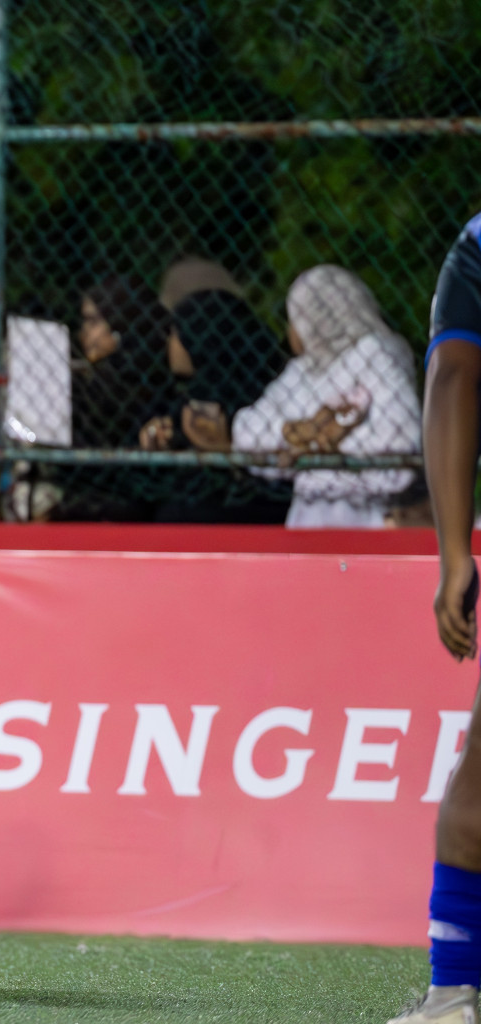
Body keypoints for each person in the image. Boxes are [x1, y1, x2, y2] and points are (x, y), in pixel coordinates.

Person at [385, 213, 481, 1024]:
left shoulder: (479, 243)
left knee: (478, 789)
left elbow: (454, 377)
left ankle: (453, 992)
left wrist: (455, 554)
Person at [232, 265, 421, 528]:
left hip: (370, 524)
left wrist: (322, 449)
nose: (290, 332)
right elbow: (245, 433)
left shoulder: (379, 356)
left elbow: (399, 454)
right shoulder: (304, 370)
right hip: (309, 525)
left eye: (294, 319)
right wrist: (293, 432)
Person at [137, 288, 291, 523]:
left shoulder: (260, 392)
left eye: (175, 331)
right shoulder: (190, 392)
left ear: (197, 335)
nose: (169, 341)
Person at [53, 276, 173, 521]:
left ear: (120, 324)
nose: (84, 332)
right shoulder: (101, 376)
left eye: (93, 321)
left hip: (122, 500)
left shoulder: (124, 379)